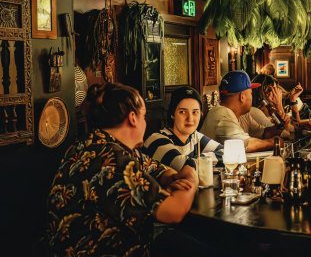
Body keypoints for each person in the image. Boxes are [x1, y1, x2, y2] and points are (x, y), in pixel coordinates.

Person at [44, 83, 205, 256]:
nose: (145, 123)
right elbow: (173, 212)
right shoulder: (111, 158)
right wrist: (192, 177)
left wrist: (173, 177)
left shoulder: (92, 144)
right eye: (144, 117)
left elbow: (156, 168)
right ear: (133, 118)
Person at [143, 86, 223, 171]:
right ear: (172, 114)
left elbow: (229, 154)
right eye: (182, 112)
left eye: (195, 112)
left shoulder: (195, 137)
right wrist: (202, 160)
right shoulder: (157, 140)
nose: (190, 118)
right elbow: (186, 167)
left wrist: (198, 159)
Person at [200, 71, 280, 152]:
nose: (252, 97)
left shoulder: (242, 115)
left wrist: (280, 126)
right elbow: (246, 145)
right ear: (242, 97)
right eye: (251, 94)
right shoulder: (221, 113)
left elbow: (263, 133)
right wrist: (274, 142)